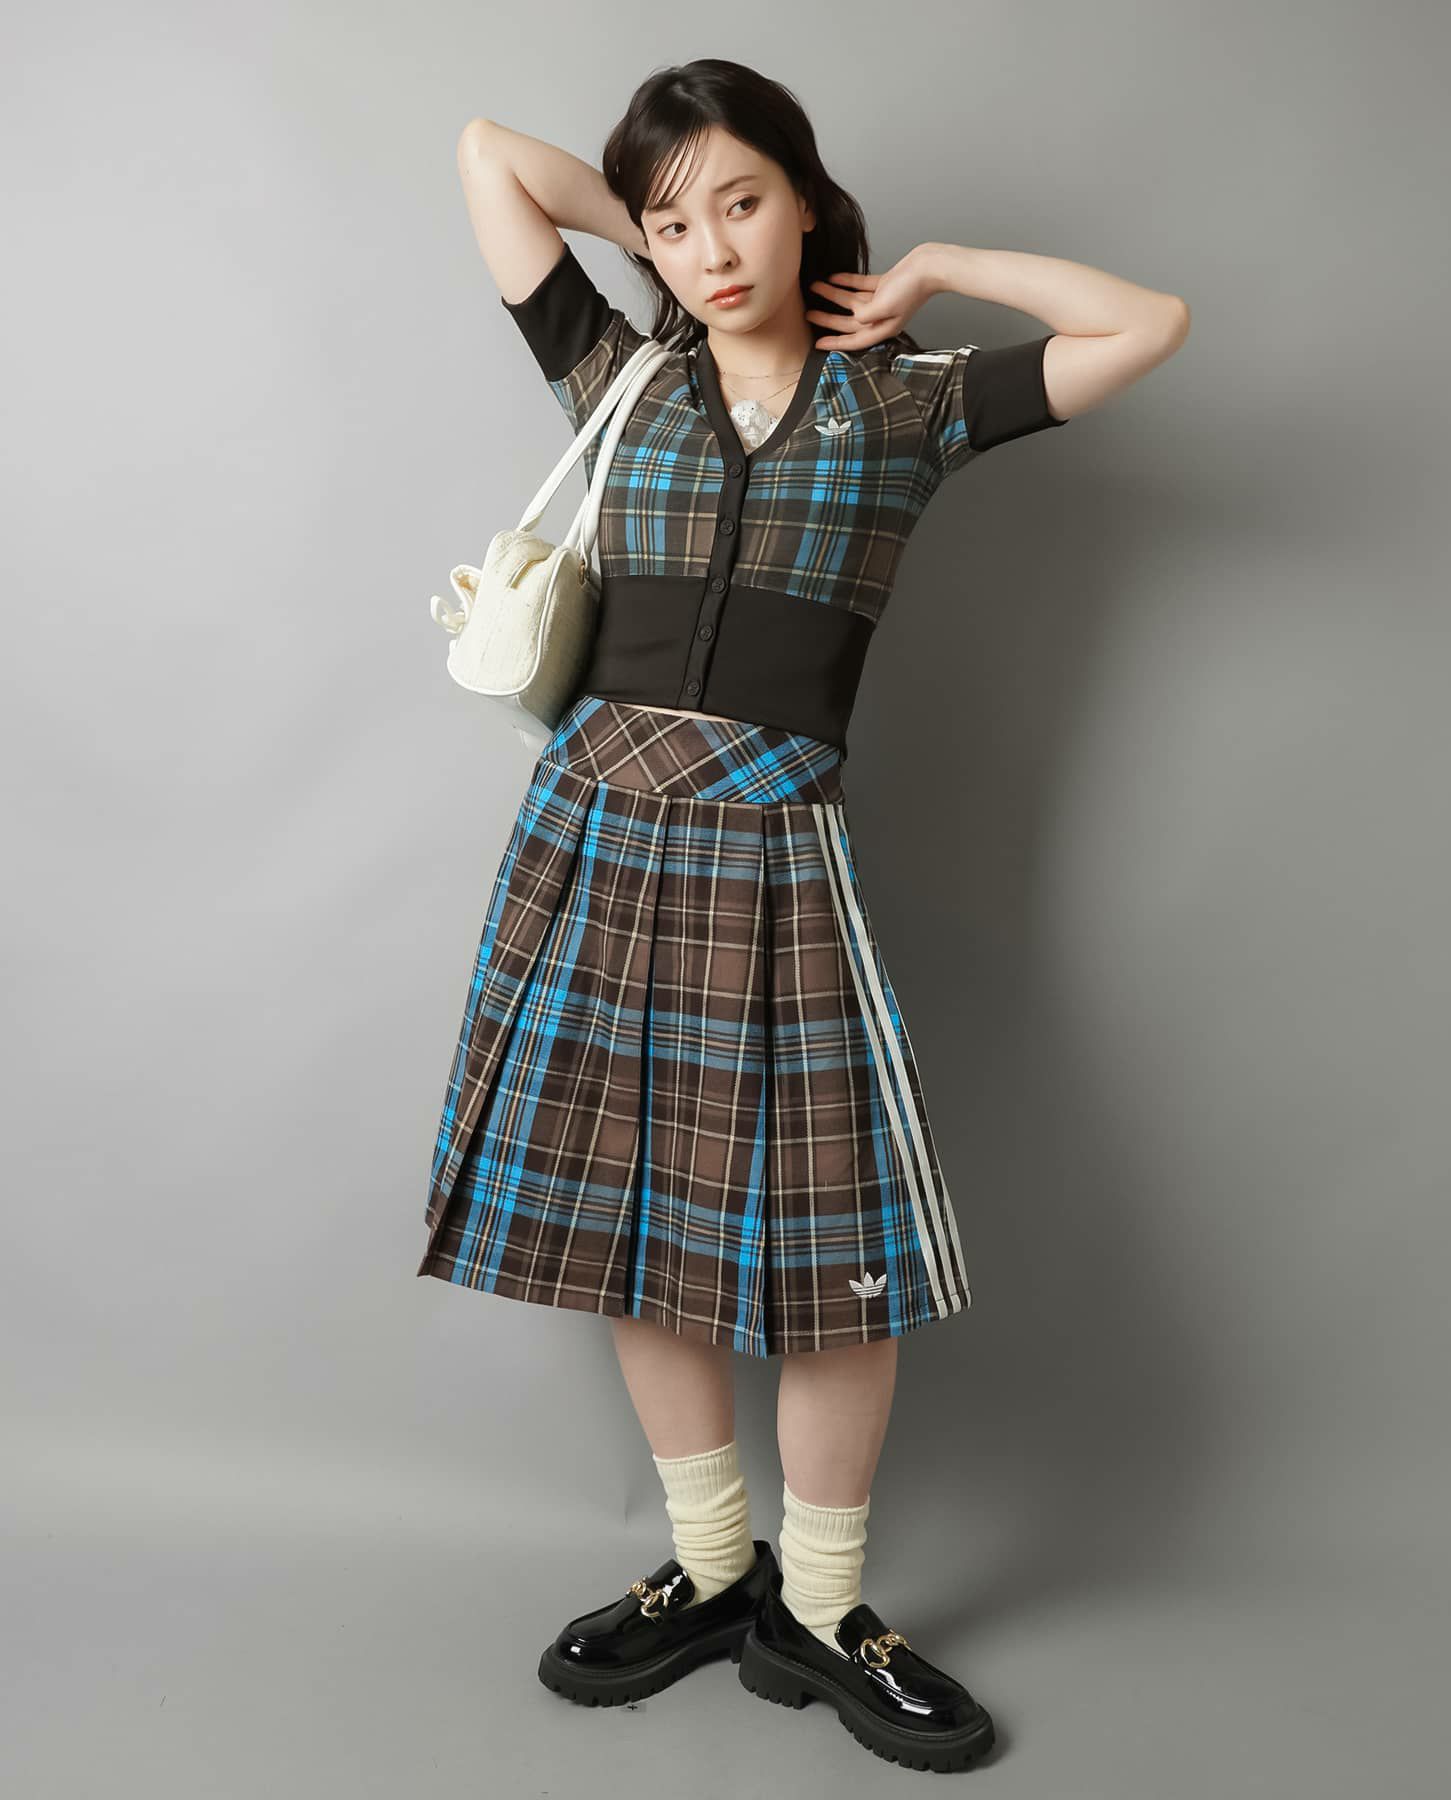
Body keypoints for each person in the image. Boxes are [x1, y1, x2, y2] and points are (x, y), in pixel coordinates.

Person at [418, 58, 1189, 1773]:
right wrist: (659, 234)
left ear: (808, 200)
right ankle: (712, 1570)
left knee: (840, 1249)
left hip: (776, 850)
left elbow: (1147, 324)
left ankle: (823, 1610)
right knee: (630, 1220)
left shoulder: (908, 401)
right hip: (592, 832)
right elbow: (489, 156)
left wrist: (941, 269)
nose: (710, 248)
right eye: (674, 222)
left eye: (743, 202)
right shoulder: (620, 374)